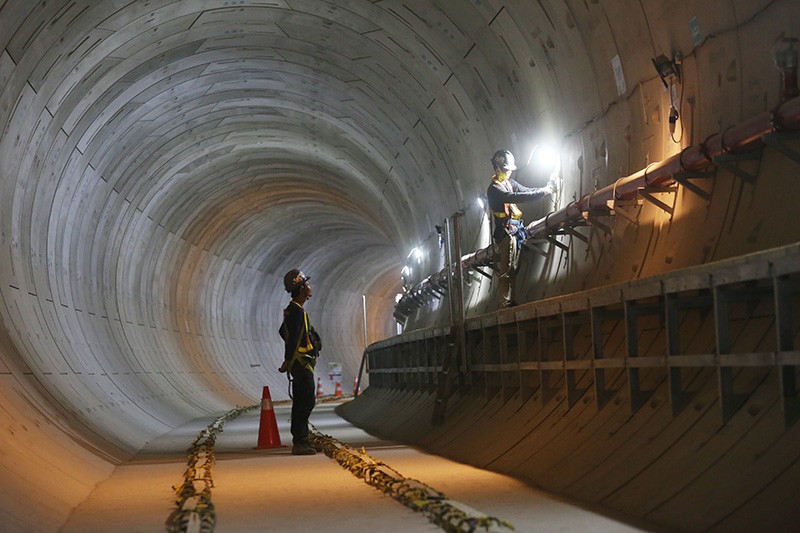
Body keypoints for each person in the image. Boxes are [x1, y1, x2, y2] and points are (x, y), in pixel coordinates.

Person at [486, 149, 555, 308]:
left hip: (515, 230)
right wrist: (543, 193)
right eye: (506, 170)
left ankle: (511, 299)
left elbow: (525, 190)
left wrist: (543, 190)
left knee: (514, 268)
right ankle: (504, 301)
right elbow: (515, 197)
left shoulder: (509, 183)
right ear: (498, 169)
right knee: (507, 268)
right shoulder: (494, 189)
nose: (509, 172)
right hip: (505, 232)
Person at [278, 269, 321, 455]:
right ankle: (300, 441)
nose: (310, 287)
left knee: (304, 401)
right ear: (302, 288)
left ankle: (302, 438)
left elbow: (283, 331)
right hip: (301, 364)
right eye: (307, 284)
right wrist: (288, 360)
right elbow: (294, 337)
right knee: (305, 401)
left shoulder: (295, 310)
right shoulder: (295, 311)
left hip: (301, 363)